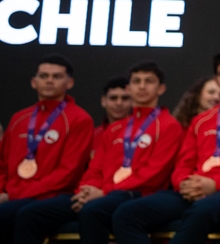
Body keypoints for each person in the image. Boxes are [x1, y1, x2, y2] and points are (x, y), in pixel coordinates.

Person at [112, 50, 220, 244]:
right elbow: (183, 164)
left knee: (202, 211)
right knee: (126, 214)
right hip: (193, 191)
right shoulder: (202, 120)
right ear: (216, 80)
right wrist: (185, 183)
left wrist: (215, 184)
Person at [13, 60, 182, 244]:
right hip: (102, 193)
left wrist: (104, 191)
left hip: (139, 194)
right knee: (31, 214)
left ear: (161, 89)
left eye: (148, 81)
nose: (142, 86)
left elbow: (154, 174)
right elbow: (95, 168)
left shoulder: (169, 125)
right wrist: (86, 190)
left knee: (93, 211)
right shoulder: (115, 128)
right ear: (129, 88)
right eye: (136, 81)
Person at [0, 55, 95, 237]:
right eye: (44, 76)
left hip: (59, 196)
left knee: (24, 215)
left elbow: (68, 172)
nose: (49, 81)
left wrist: (14, 194)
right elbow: (2, 163)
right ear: (34, 82)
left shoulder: (79, 119)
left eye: (57, 77)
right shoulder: (19, 118)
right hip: (15, 194)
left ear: (70, 83)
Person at [94, 76, 131, 147]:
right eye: (113, 98)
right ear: (103, 101)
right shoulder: (93, 136)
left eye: (125, 98)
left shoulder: (141, 135)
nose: (119, 103)